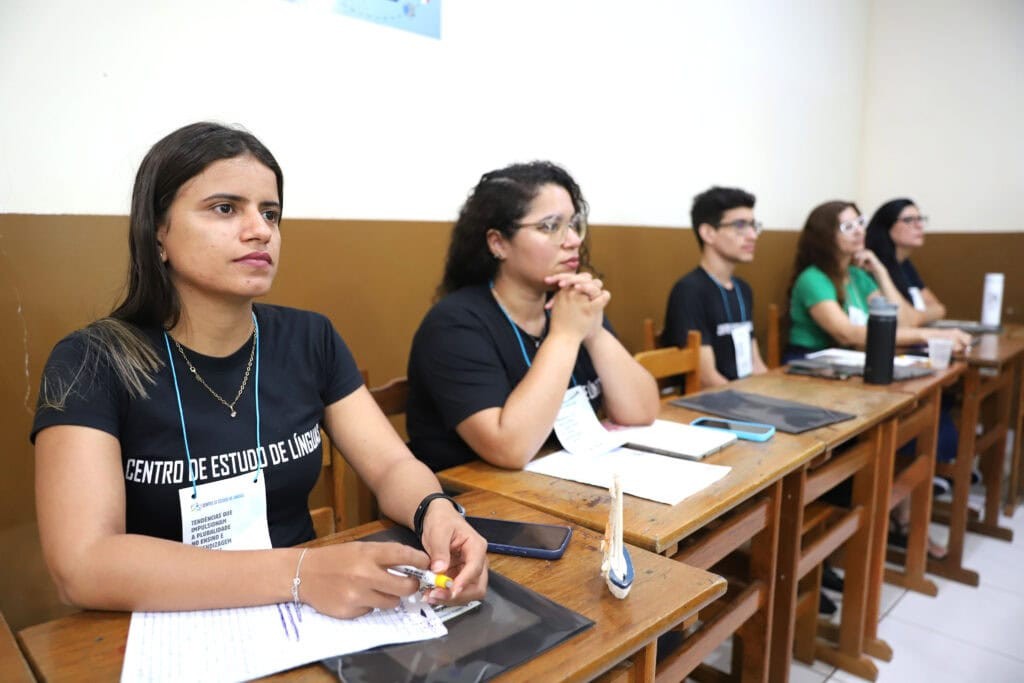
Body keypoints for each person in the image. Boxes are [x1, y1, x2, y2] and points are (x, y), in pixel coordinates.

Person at [31, 122, 487, 620]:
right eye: (225, 208)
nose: (261, 230)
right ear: (158, 232)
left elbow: (391, 465)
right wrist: (300, 573)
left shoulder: (310, 338)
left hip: (308, 615)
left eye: (270, 213)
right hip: (167, 622)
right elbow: (82, 564)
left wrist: (435, 509)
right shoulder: (91, 360)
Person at [406, 161, 659, 472]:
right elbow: (510, 449)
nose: (573, 240)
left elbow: (641, 413)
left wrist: (594, 332)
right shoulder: (454, 326)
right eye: (550, 226)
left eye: (573, 224)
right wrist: (565, 336)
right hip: (474, 496)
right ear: (498, 243)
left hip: (563, 481)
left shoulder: (569, 304)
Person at [785, 200, 970, 359]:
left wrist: (881, 272)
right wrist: (929, 335)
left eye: (860, 223)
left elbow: (901, 322)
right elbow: (847, 334)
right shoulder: (813, 278)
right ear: (825, 237)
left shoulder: (857, 275)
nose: (859, 231)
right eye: (848, 227)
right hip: (810, 362)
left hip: (851, 359)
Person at [662, 186, 769, 387]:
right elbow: (706, 378)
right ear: (708, 233)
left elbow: (756, 364)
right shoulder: (689, 291)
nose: (752, 235)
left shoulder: (743, 289)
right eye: (740, 225)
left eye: (754, 226)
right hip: (712, 399)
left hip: (745, 393)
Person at [865, 198, 945, 326]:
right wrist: (914, 316)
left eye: (920, 219)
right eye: (909, 220)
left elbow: (939, 308)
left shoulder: (904, 263)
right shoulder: (871, 264)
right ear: (887, 226)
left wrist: (915, 316)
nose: (919, 225)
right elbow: (901, 319)